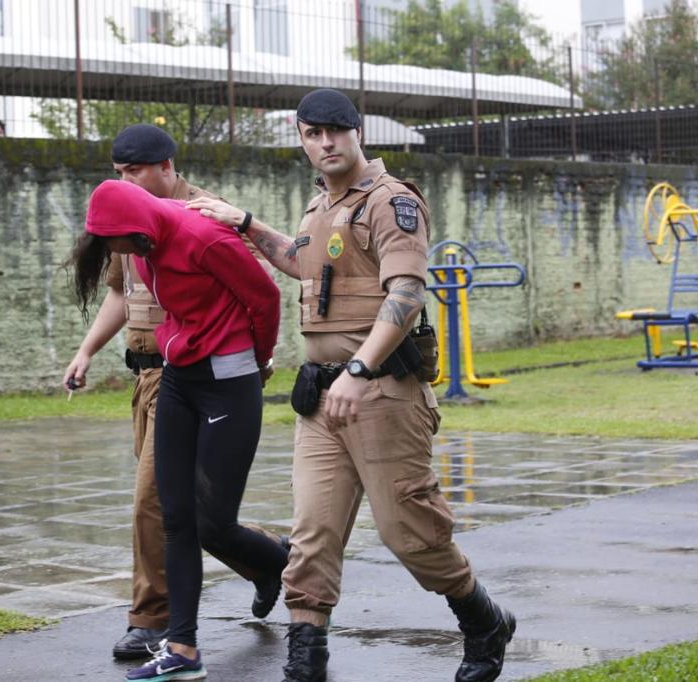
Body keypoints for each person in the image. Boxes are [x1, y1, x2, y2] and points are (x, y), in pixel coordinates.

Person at [188, 88, 516, 682]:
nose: (325, 143)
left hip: (382, 393)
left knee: (410, 533)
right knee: (312, 535)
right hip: (321, 400)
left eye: (335, 131)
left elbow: (408, 294)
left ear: (357, 132)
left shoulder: (391, 202)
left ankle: (483, 618)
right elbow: (302, 261)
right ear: (302, 138)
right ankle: (305, 660)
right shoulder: (320, 206)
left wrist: (360, 371)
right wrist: (244, 223)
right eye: (312, 134)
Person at [63, 124, 288, 662]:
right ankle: (268, 559)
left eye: (133, 170)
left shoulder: (208, 217)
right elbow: (120, 294)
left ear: (166, 165)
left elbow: (261, 295)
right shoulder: (126, 221)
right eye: (118, 173)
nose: (124, 181)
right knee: (186, 513)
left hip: (201, 373)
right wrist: (86, 350)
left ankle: (151, 621)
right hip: (153, 370)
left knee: (155, 503)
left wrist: (255, 363)